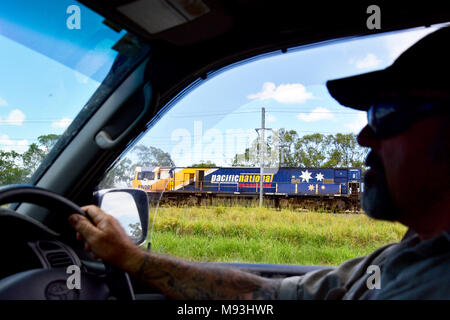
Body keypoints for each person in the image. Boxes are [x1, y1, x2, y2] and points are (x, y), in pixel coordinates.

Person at [68, 26, 450, 300]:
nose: (364, 137)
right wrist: (132, 258)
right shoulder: (401, 256)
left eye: (386, 113)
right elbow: (261, 293)